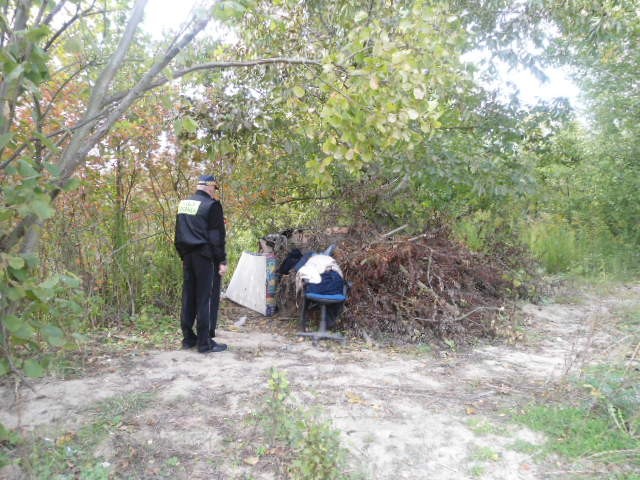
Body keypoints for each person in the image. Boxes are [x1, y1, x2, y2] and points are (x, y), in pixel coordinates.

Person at [174, 174, 228, 353]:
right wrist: (221, 260)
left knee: (188, 296)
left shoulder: (184, 204)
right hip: (205, 258)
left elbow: (178, 235)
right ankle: (204, 343)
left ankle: (188, 339)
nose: (214, 192)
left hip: (188, 256)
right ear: (209, 187)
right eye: (214, 189)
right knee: (205, 299)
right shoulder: (212, 206)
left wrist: (184, 255)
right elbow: (216, 238)